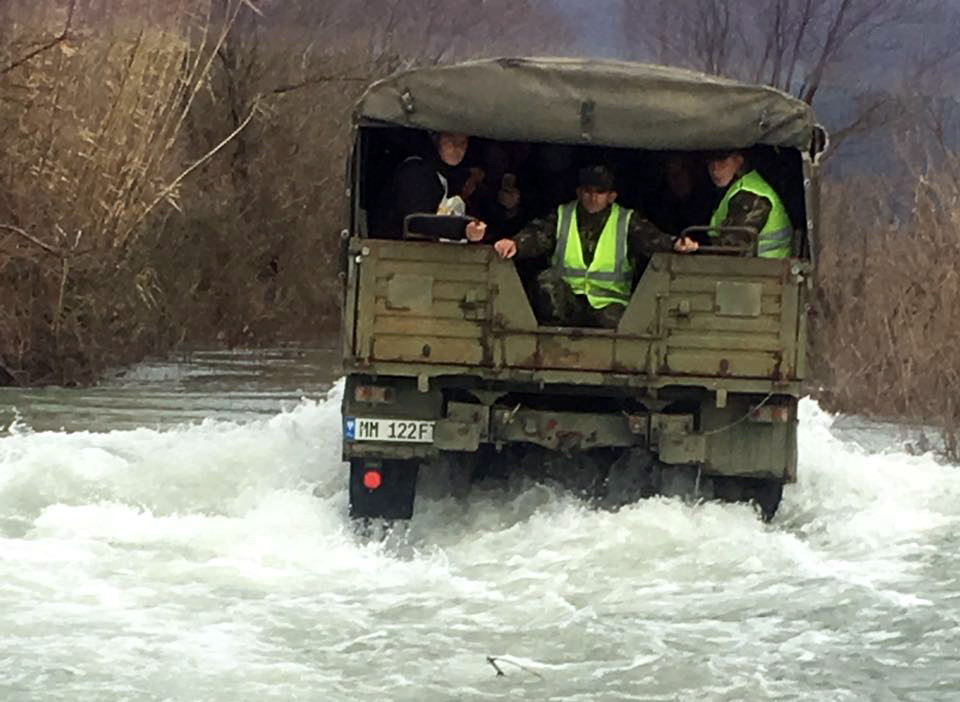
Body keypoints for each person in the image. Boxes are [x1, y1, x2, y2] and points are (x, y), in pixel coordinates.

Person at [493, 165, 698, 328]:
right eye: (588, 191)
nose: (593, 198)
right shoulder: (563, 215)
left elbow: (652, 240)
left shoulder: (626, 220)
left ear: (611, 196)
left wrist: (675, 244)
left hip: (609, 305)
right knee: (546, 282)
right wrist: (515, 244)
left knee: (617, 323)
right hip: (568, 301)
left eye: (600, 192)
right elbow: (538, 235)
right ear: (579, 192)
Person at [385, 132, 487, 241]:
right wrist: (463, 228)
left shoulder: (445, 175)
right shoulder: (415, 171)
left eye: (463, 142)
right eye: (450, 139)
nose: (457, 147)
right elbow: (415, 222)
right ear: (434, 137)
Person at [706, 150, 792, 258]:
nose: (715, 171)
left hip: (764, 269)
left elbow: (733, 247)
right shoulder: (736, 189)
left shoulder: (751, 195)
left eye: (722, 164)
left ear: (739, 161)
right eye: (710, 164)